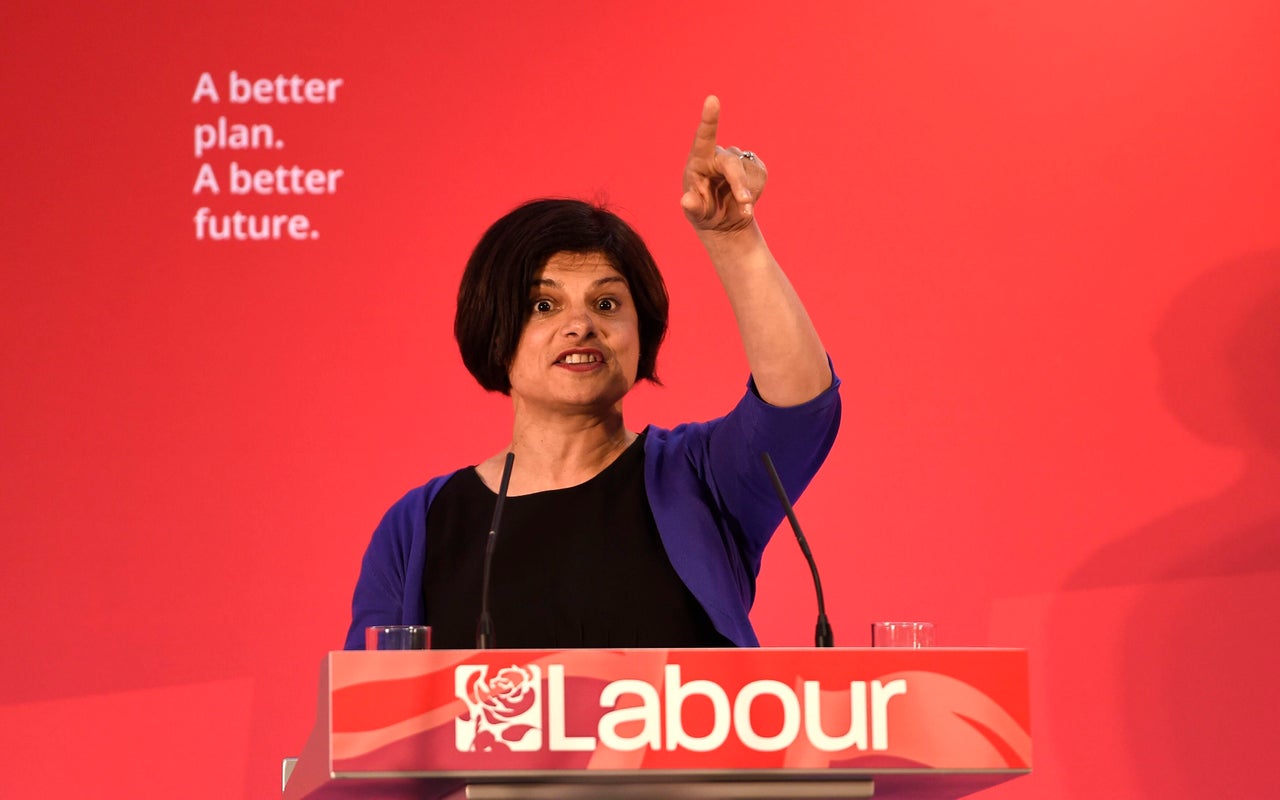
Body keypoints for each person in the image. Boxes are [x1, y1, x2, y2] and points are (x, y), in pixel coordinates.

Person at [344, 96, 840, 650]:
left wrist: (734, 240)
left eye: (606, 305)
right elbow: (370, 718)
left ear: (641, 331)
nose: (580, 326)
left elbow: (799, 409)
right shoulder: (421, 525)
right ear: (494, 328)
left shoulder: (700, 480)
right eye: (543, 306)